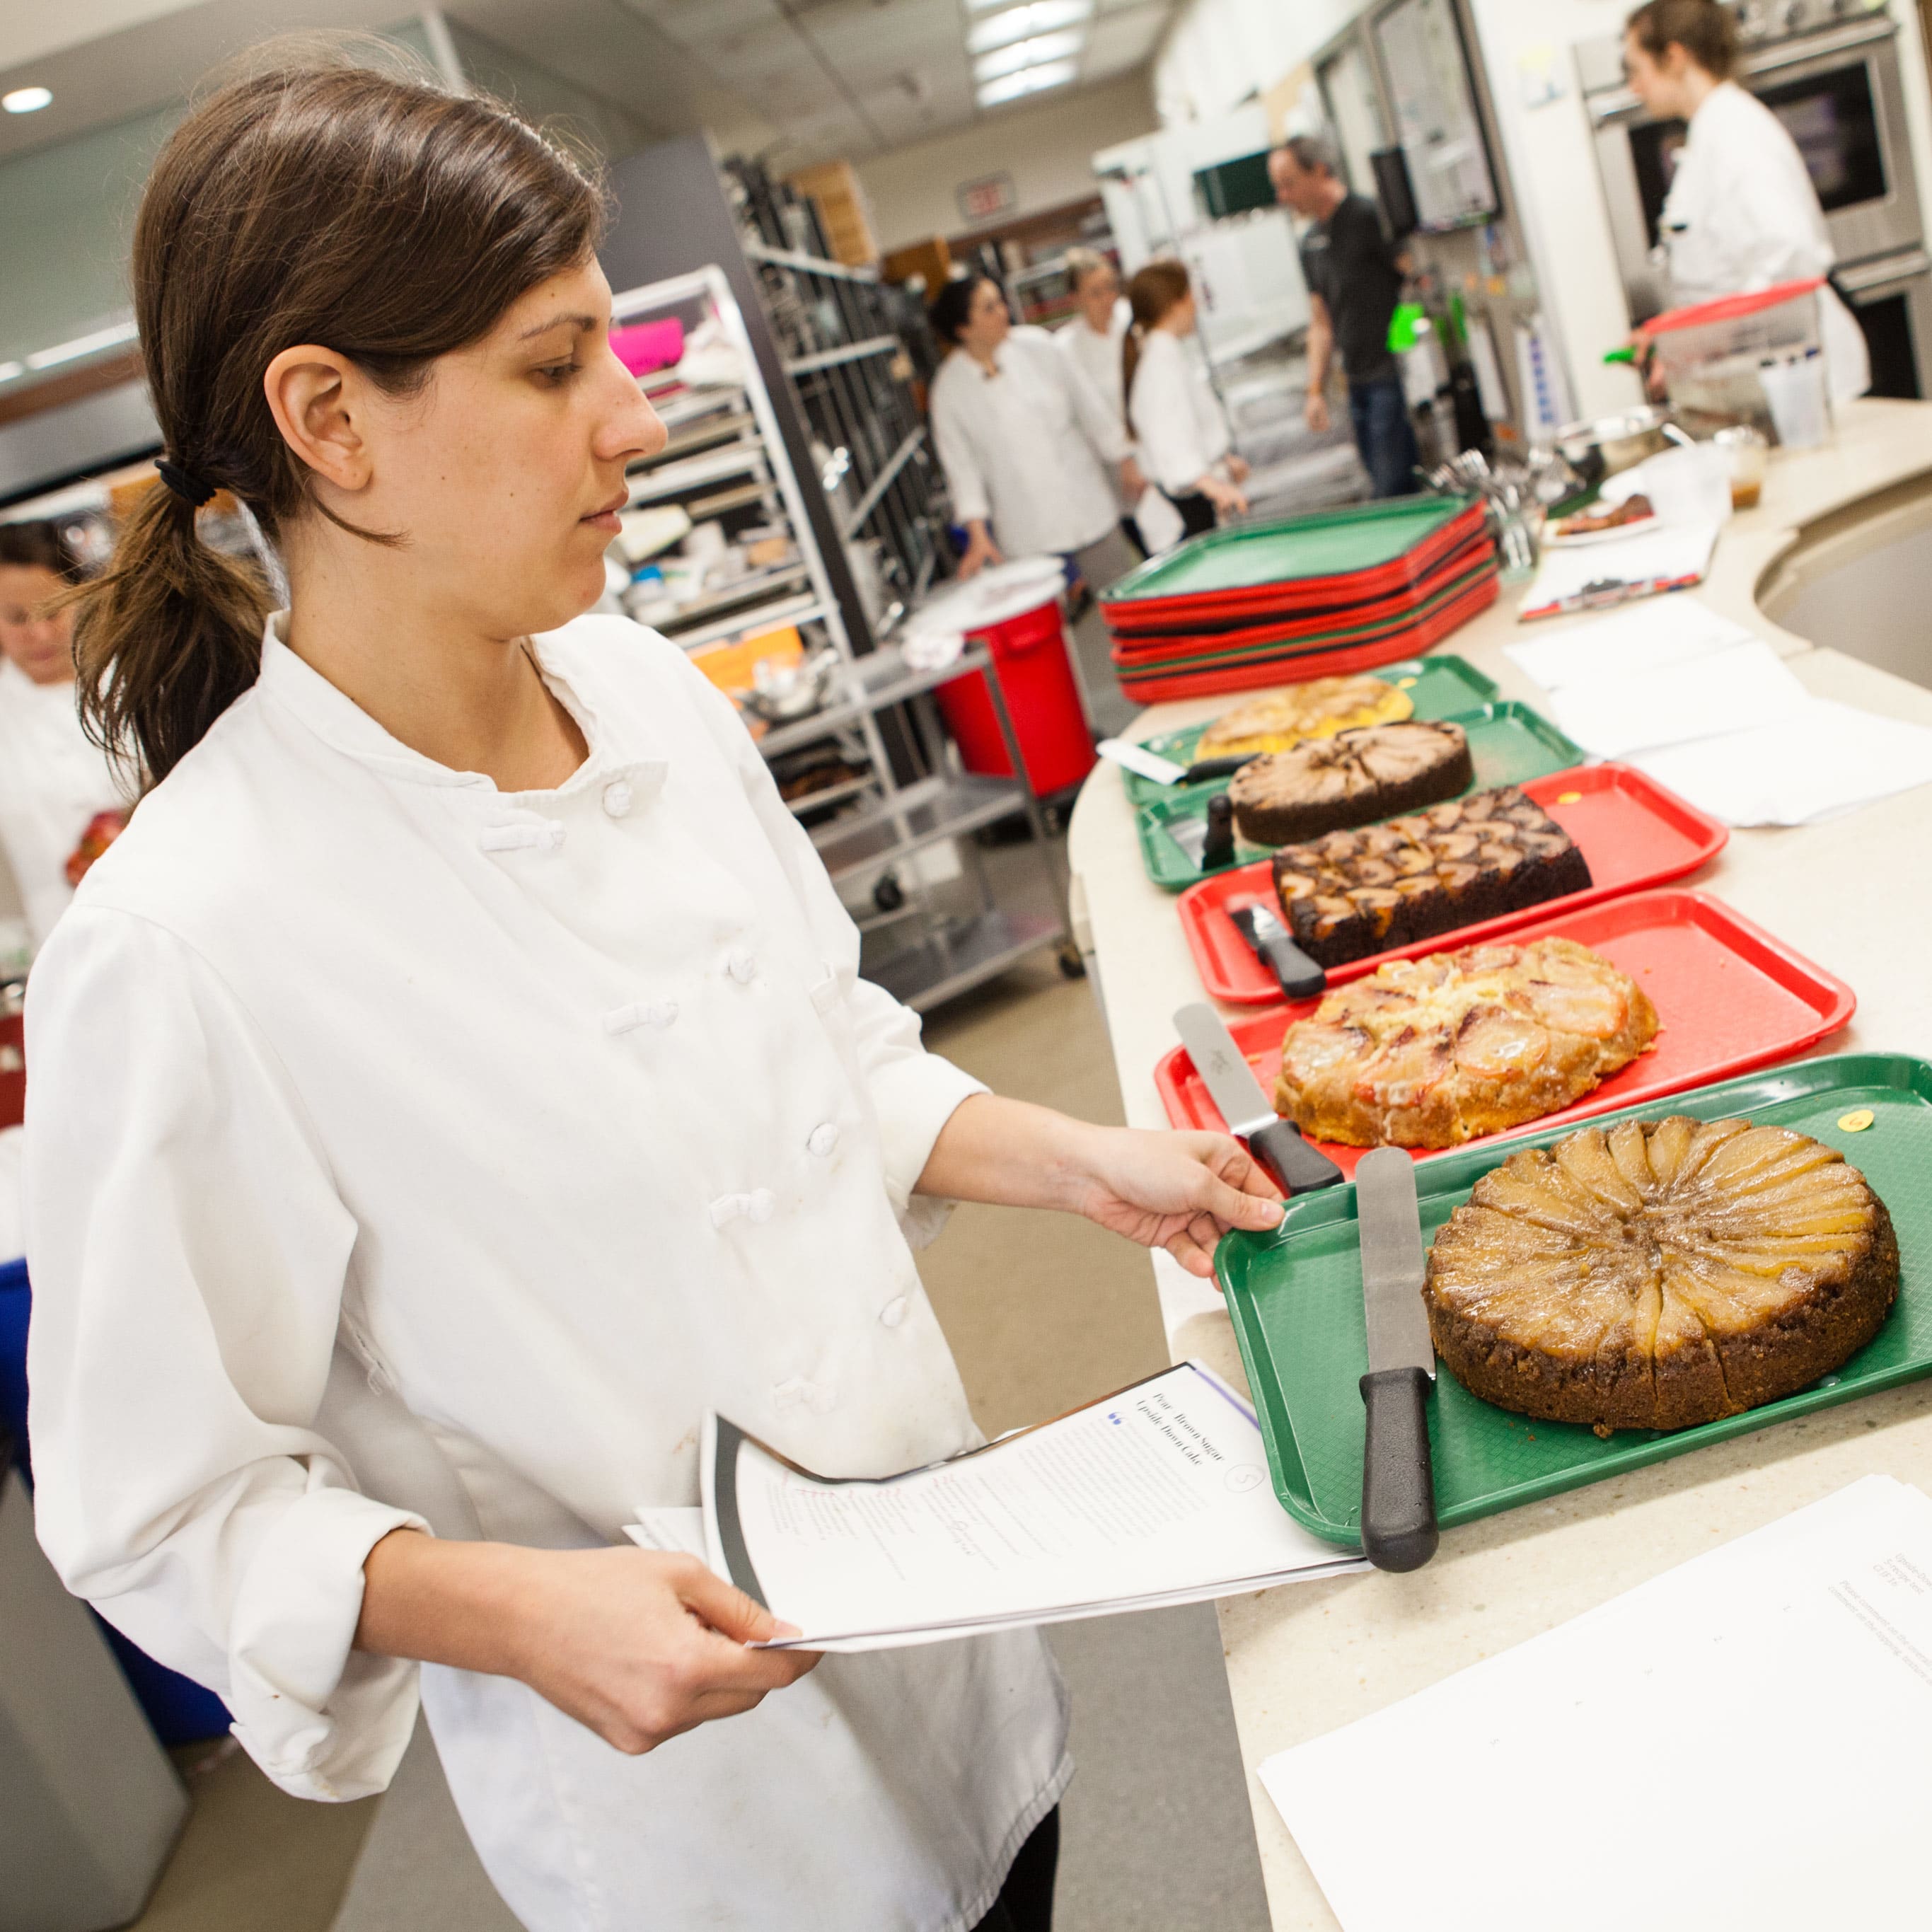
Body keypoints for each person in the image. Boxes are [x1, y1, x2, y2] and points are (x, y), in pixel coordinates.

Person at [22, 56, 1289, 1932]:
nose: (634, 415)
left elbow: (818, 1057)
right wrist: (514, 1608)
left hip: (953, 1648)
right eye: (553, 368)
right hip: (707, 1815)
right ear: (327, 419)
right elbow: (159, 1499)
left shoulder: (643, 692)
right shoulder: (193, 937)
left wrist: (1081, 1160)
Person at [1622, 0, 1870, 405]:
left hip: (1807, 383)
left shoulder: (1737, 135)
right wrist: (1673, 337)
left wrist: (1699, 342)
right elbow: (1722, 275)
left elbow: (1789, 257)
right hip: (1769, 381)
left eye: (1637, 70)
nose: (1634, 87)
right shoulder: (1708, 137)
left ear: (1675, 57)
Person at [926, 273, 1144, 590]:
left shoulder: (1038, 346)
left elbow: (1091, 409)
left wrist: (1126, 460)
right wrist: (978, 534)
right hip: (1025, 528)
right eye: (989, 308)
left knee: (1124, 597)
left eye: (1000, 302)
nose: (1003, 312)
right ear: (964, 329)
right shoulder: (949, 390)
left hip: (1086, 504)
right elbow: (962, 469)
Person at [0, 520, 133, 951]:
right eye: (17, 619)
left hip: (176, 918)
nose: (40, 634)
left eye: (53, 610)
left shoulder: (139, 678)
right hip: (62, 945)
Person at [1268, 135, 1419, 499]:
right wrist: (1314, 389)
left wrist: (1404, 350)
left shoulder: (1367, 216)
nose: (1283, 197)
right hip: (1355, 380)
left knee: (1391, 489)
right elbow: (1321, 322)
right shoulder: (1311, 243)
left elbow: (1415, 284)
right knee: (1377, 482)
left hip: (1390, 374)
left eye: (1289, 184)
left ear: (1319, 172)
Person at [1122, 261, 1249, 540]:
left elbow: (1187, 428)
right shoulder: (1160, 366)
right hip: (1189, 514)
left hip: (1197, 501)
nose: (1196, 306)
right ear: (1175, 303)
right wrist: (1211, 484)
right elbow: (1170, 441)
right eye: (1191, 295)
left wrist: (1223, 462)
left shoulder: (1165, 357)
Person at [1053, 248, 1146, 556]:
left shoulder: (1133, 322)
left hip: (1160, 446)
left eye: (1111, 287)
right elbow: (1093, 412)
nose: (1108, 299)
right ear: (1074, 299)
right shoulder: (1067, 348)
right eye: (1095, 293)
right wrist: (1126, 459)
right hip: (1120, 467)